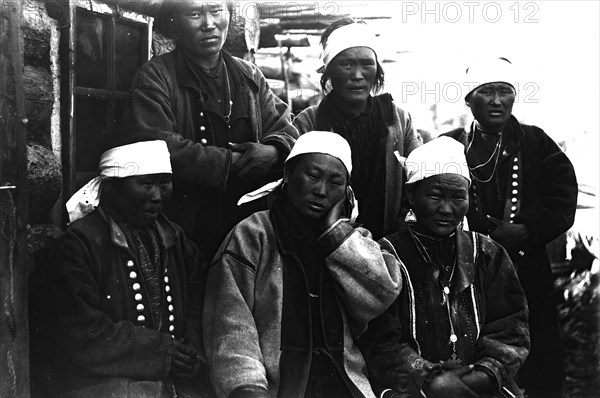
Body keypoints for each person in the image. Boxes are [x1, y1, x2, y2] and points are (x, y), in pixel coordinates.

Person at [203, 131, 402, 397]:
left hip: (344, 383)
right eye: (312, 176)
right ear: (287, 174)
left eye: (335, 182)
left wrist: (334, 231)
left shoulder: (352, 242)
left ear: (347, 191)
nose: (321, 191)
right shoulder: (253, 234)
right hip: (274, 387)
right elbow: (230, 324)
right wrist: (247, 386)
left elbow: (381, 294)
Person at [442, 57, 578, 398]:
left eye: (505, 92)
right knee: (471, 347)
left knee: (537, 348)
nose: (497, 100)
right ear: (468, 98)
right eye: (487, 91)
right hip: (464, 270)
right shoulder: (450, 146)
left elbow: (562, 197)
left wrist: (525, 229)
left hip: (526, 267)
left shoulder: (535, 143)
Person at [121, 1, 298, 259]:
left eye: (216, 11)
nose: (209, 24)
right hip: (184, 226)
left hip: (248, 226)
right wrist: (231, 163)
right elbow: (157, 145)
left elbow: (286, 129)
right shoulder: (156, 77)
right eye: (194, 14)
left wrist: (272, 152)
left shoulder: (249, 76)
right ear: (176, 21)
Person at [362, 137, 530, 398]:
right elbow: (380, 342)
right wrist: (430, 378)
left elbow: (511, 326)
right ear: (411, 196)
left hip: (482, 387)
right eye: (435, 195)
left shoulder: (487, 253)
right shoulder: (386, 255)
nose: (446, 209)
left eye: (458, 197)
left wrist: (483, 374)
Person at [44, 139, 208, 397]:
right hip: (104, 385)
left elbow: (201, 297)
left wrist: (194, 349)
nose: (156, 196)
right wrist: (162, 352)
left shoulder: (174, 237)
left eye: (164, 183)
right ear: (111, 188)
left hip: (177, 381)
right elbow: (80, 331)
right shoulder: (80, 243)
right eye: (145, 184)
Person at [293, 18, 422, 240]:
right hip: (322, 240)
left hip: (388, 242)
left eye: (366, 64)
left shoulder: (398, 120)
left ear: (377, 69)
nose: (358, 75)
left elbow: (418, 179)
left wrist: (401, 233)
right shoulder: (310, 121)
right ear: (330, 70)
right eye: (347, 65)